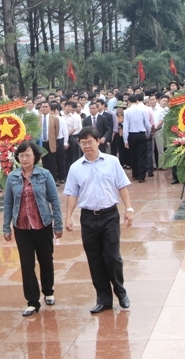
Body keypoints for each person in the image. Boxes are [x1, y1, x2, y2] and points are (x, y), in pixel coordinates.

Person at [64, 127, 133, 313]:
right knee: (94, 259)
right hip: (88, 217)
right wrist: (68, 217)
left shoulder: (112, 162)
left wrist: (129, 209)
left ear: (98, 141)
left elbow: (122, 186)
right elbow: (71, 194)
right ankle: (103, 298)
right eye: (83, 142)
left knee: (112, 257)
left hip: (110, 215)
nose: (87, 145)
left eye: (90, 141)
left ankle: (121, 291)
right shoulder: (75, 167)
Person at [2, 141, 63, 316]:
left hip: (42, 224)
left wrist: (58, 224)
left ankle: (48, 291)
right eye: (21, 155)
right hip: (21, 227)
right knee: (26, 264)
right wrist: (6, 227)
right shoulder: (13, 177)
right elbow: (8, 203)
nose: (25, 158)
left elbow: (54, 200)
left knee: (45, 259)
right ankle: (32, 300)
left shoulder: (45, 175)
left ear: (35, 156)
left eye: (28, 155)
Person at [122, 94, 152, 183]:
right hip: (141, 134)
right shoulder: (143, 110)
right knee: (142, 155)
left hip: (131, 135)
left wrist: (125, 140)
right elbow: (147, 123)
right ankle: (141, 176)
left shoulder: (126, 111)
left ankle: (135, 174)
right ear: (137, 101)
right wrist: (148, 133)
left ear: (129, 102)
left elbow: (126, 126)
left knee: (133, 155)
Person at [37, 101, 60, 180]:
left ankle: (52, 180)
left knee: (52, 163)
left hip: (50, 143)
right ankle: (44, 179)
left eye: (46, 107)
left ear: (50, 108)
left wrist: (52, 138)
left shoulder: (55, 118)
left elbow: (56, 131)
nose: (44, 108)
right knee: (44, 163)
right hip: (41, 144)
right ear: (41, 108)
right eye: (43, 107)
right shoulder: (37, 118)